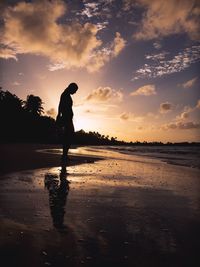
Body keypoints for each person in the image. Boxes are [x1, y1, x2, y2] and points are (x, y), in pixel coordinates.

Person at [56, 82, 78, 163]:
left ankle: (64, 155)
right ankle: (64, 156)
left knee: (68, 136)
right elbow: (60, 105)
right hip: (66, 118)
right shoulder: (65, 94)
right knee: (68, 136)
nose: (75, 92)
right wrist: (59, 115)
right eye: (75, 90)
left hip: (68, 118)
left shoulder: (66, 94)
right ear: (71, 88)